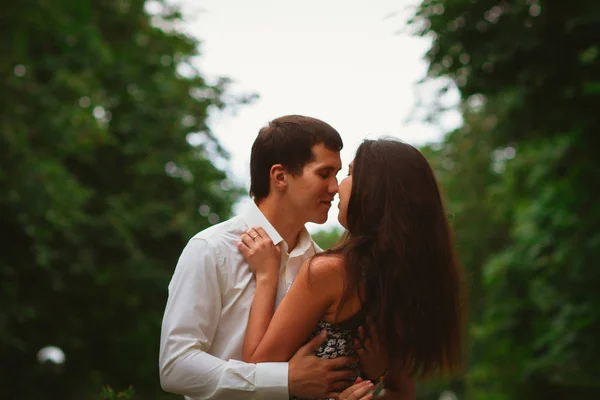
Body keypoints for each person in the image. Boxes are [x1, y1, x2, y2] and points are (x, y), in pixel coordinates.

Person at [160, 115, 379, 400]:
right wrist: (283, 380)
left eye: (337, 175)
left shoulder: (324, 265)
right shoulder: (211, 249)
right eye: (324, 174)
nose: (335, 187)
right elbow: (176, 366)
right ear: (280, 176)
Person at [238, 138, 467, 400]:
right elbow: (402, 393)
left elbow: (255, 367)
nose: (336, 187)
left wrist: (267, 275)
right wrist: (376, 374)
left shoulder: (329, 272)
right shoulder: (403, 283)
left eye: (348, 174)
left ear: (371, 192)